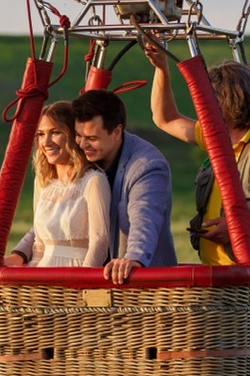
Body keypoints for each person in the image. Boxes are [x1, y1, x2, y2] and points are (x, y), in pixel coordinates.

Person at [144, 44, 250, 265]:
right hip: (216, 274)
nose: (202, 107)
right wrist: (161, 69)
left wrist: (239, 225)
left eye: (207, 100)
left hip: (249, 275)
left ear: (227, 102)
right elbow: (165, 118)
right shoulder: (215, 137)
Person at [72, 89, 177, 284]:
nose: (83, 144)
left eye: (92, 138)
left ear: (117, 132)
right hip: (95, 279)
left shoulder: (147, 166)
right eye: (79, 135)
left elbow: (145, 216)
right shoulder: (81, 158)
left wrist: (134, 258)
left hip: (140, 287)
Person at [5, 101, 111, 267]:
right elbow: (39, 244)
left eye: (55, 132)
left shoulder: (94, 181)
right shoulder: (43, 183)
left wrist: (82, 283)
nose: (46, 142)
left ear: (75, 136)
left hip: (77, 273)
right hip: (43, 277)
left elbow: (100, 242)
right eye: (40, 134)